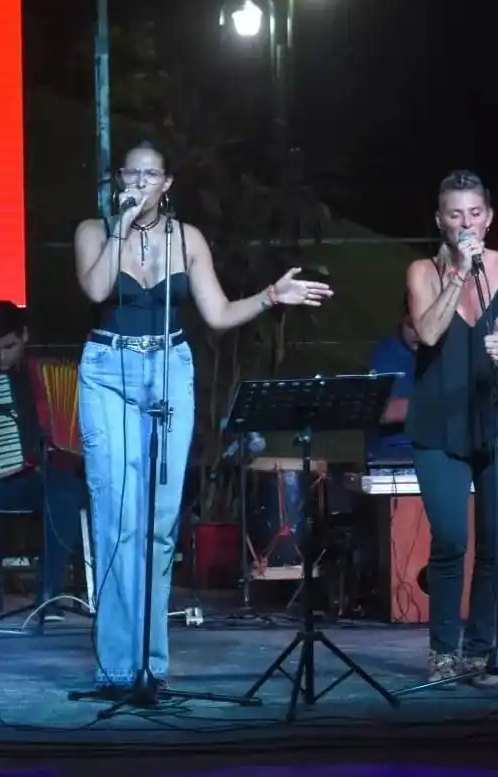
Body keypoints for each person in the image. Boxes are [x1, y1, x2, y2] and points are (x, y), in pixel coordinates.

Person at [72, 141, 333, 694]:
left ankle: (151, 665)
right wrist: (121, 223)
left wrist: (271, 295)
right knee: (118, 521)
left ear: (167, 184)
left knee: (161, 525)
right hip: (107, 370)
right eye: (131, 173)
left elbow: (216, 314)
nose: (140, 182)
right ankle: (118, 665)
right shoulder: (94, 232)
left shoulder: (186, 238)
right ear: (118, 178)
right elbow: (96, 288)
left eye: (151, 175)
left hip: (169, 367)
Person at [404, 169, 498, 686]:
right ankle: (443, 650)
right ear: (439, 220)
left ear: (490, 217)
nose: (467, 223)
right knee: (451, 538)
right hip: (441, 425)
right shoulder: (423, 271)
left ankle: (480, 651)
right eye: (456, 214)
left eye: (475, 213)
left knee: (495, 546)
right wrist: (460, 270)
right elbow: (429, 332)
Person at [0, 299, 87, 624]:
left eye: (9, 346)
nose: (1, 356)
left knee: (66, 495)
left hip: (36, 473)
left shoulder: (41, 375)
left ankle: (49, 595)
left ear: (24, 336)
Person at [367, 304, 418, 464]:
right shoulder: (386, 353)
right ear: (405, 318)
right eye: (412, 324)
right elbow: (383, 411)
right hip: (396, 452)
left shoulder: (445, 351)